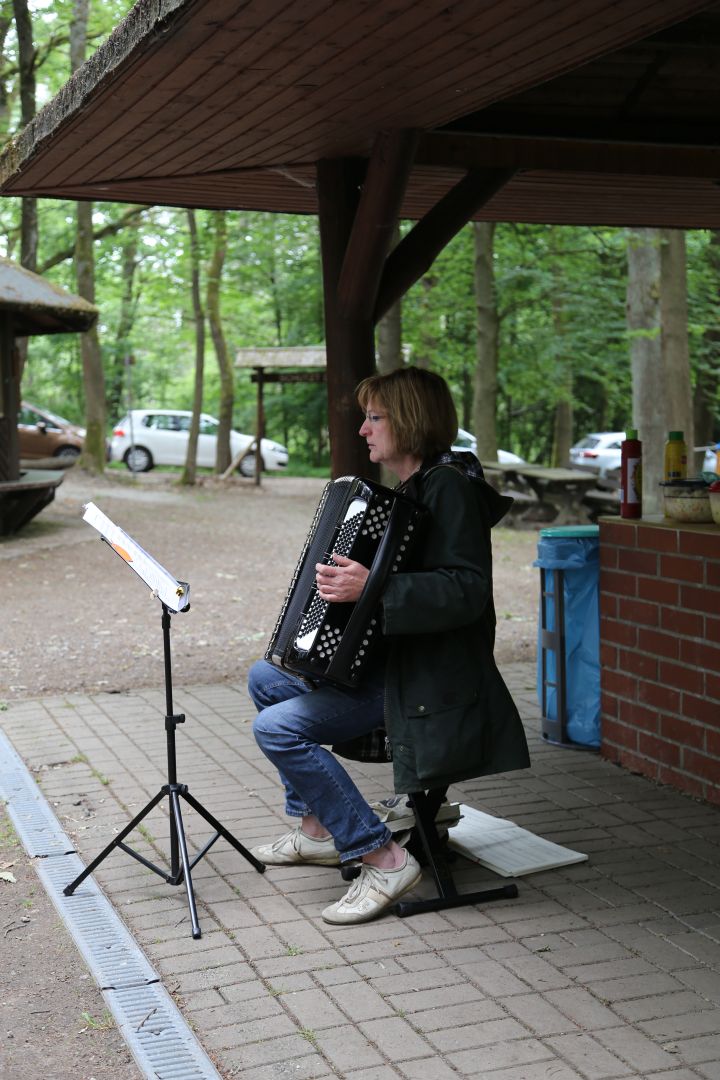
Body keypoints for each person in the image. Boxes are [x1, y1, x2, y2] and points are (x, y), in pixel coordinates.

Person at [248, 366, 530, 925]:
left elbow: (466, 590)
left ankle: (383, 857)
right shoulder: (416, 486)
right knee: (267, 679)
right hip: (400, 665)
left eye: (375, 417)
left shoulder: (450, 487)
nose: (363, 431)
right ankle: (318, 829)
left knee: (277, 727)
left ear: (408, 420)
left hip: (432, 682)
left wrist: (368, 587)